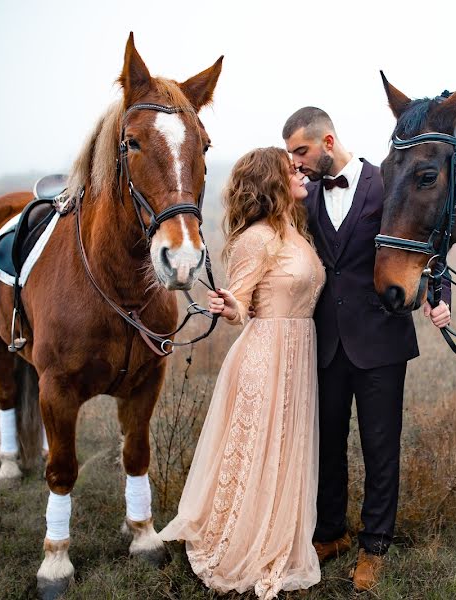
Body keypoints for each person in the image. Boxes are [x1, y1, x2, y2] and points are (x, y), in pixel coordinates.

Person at [282, 107, 451, 591]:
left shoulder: (387, 183)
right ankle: (330, 533)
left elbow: (428, 241)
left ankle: (375, 545)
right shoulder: (306, 195)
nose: (296, 163)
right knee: (327, 443)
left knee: (380, 448)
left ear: (327, 141)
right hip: (325, 341)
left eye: (301, 151)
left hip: (381, 339)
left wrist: (441, 296)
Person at [159, 147, 324, 600]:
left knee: (284, 450)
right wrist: (231, 305)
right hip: (266, 355)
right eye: (293, 169)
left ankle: (280, 532)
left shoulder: (295, 230)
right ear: (274, 180)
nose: (301, 173)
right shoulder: (257, 239)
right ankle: (237, 542)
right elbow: (240, 305)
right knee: (256, 453)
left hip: (299, 355)